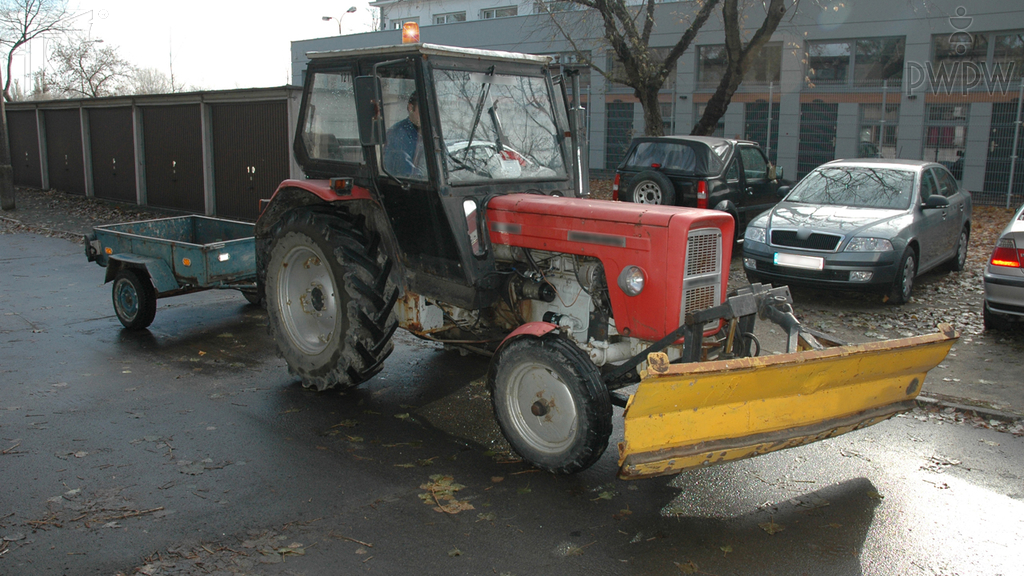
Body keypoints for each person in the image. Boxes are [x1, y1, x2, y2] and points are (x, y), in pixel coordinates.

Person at [383, 91, 424, 178]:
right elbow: (405, 170)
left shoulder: (432, 133)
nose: (425, 115)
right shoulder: (397, 134)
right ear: (410, 107)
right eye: (422, 110)